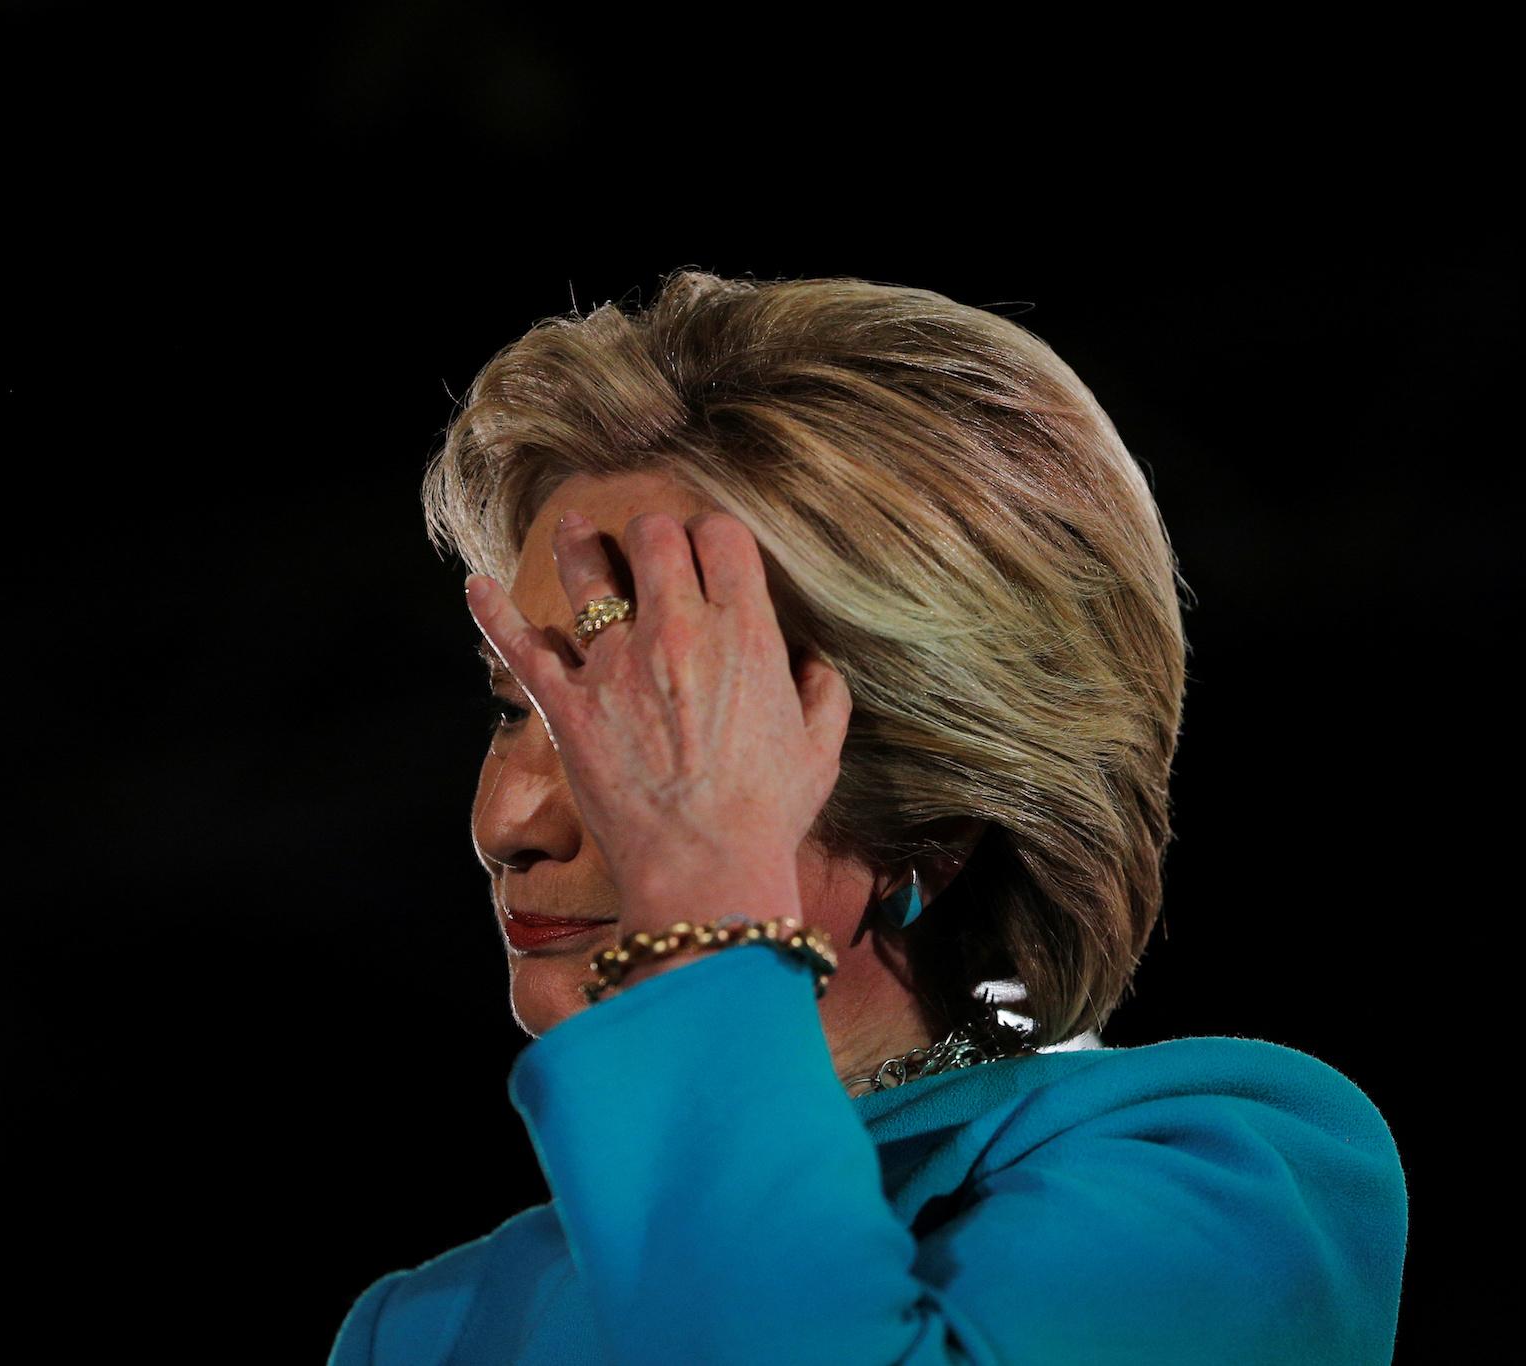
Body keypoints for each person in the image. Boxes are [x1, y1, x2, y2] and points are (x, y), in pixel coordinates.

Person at [328, 272, 1408, 1364]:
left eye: (641, 711)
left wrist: (703, 912)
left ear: (931, 831)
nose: (505, 817)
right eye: (519, 707)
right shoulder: (426, 1329)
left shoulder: (1224, 1185)